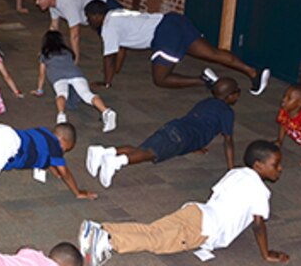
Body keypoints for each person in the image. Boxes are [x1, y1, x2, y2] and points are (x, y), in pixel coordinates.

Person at [80, 140, 288, 266]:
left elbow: (216, 194)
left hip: (196, 211)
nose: (280, 169)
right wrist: (266, 253)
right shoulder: (261, 191)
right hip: (205, 229)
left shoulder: (236, 173)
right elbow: (259, 224)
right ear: (259, 166)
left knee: (153, 230)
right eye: (276, 165)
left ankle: (100, 227)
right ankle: (108, 240)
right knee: (157, 242)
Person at [84, 0, 271, 94]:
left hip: (164, 35)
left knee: (161, 79)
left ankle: (204, 80)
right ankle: (254, 72)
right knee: (212, 53)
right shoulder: (116, 13)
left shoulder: (108, 27)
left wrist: (107, 82)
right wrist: (116, 72)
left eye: (88, 18)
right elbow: (120, 49)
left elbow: (109, 57)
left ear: (95, 16)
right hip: (173, 20)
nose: (88, 22)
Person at [87, 78, 240, 188]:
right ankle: (117, 162)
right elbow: (228, 141)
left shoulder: (206, 102)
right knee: (150, 153)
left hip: (175, 127)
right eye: (237, 92)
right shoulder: (227, 112)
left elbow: (196, 122)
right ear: (230, 96)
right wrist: (231, 168)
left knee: (141, 149)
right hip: (182, 138)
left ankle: (104, 152)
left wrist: (195, 146)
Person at [33, 31, 116, 129]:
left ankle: (61, 115)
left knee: (62, 94)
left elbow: (42, 74)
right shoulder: (68, 52)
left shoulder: (45, 54)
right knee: (87, 95)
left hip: (58, 77)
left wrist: (39, 90)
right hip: (76, 74)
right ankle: (106, 111)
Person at [32, 0, 120, 63]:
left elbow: (75, 35)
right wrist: (46, 50)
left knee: (118, 40)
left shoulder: (68, 3)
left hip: (107, 9)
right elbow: (53, 28)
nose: (37, 3)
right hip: (95, 18)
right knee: (111, 40)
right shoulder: (53, 5)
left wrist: (75, 59)